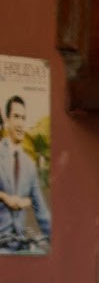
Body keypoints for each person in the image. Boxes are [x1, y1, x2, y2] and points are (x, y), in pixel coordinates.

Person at [0, 96, 50, 255]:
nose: (20, 123)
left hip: (21, 246)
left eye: (23, 118)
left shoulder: (29, 165)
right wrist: (4, 197)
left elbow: (41, 210)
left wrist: (57, 241)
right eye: (16, 117)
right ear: (6, 120)